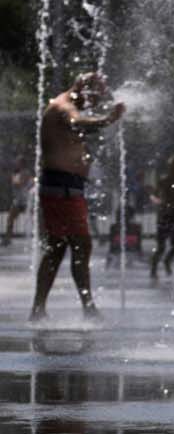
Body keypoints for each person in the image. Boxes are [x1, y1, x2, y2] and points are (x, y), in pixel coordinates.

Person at [31, 73, 125, 321]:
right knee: (79, 244)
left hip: (66, 186)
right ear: (84, 90)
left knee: (58, 248)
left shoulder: (69, 105)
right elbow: (77, 121)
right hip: (60, 187)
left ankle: (41, 309)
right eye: (95, 97)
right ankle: (87, 308)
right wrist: (108, 119)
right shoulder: (64, 106)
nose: (94, 103)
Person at [150, 152, 174, 281]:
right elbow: (154, 195)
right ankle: (154, 269)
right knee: (161, 246)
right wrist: (160, 202)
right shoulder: (164, 181)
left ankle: (167, 261)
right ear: (171, 166)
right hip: (164, 215)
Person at [4, 155, 32, 246]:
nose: (16, 163)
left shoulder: (25, 173)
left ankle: (41, 237)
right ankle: (7, 239)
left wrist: (13, 177)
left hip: (24, 201)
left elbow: (19, 183)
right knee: (10, 219)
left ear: (22, 163)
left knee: (35, 217)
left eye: (18, 162)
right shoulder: (18, 172)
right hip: (18, 200)